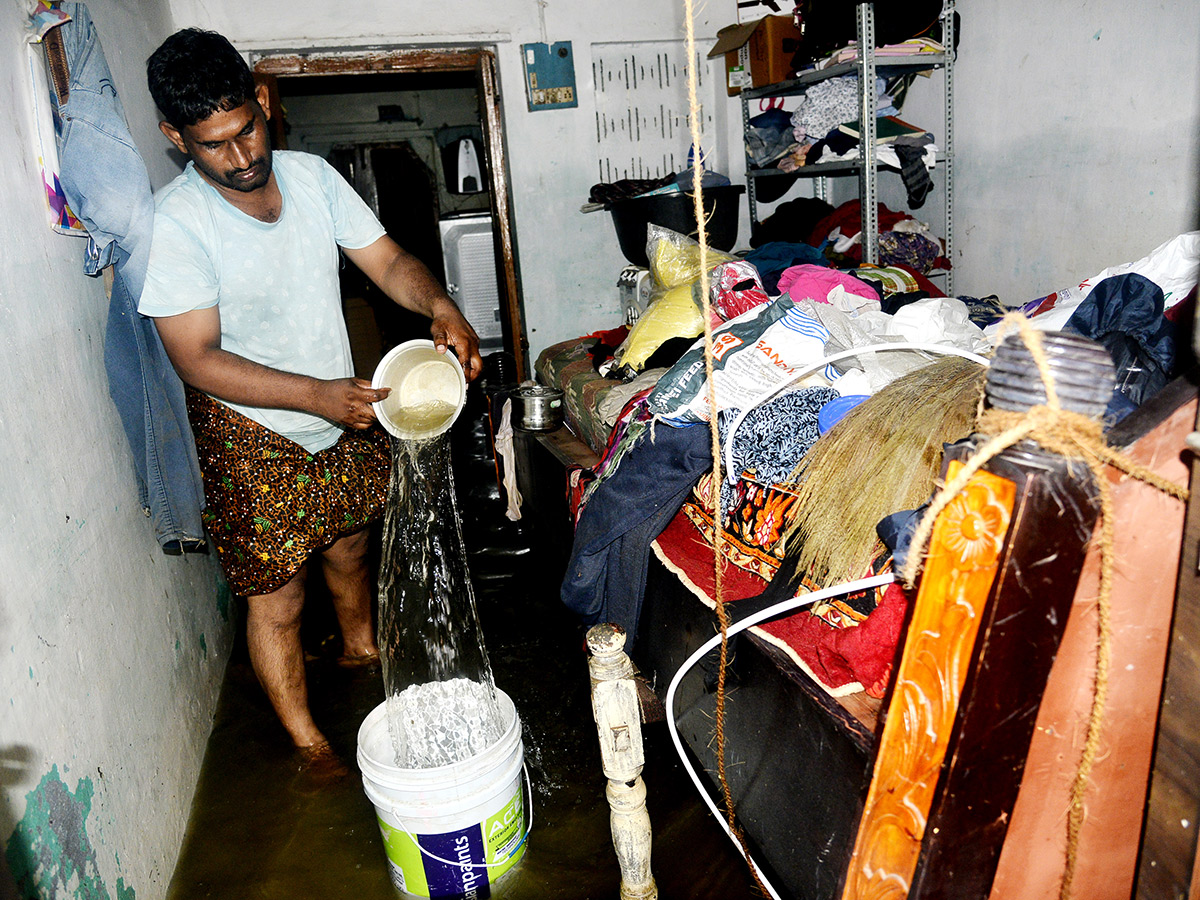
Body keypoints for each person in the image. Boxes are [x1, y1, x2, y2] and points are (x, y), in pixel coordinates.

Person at [139, 28, 483, 777]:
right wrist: (317, 397)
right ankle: (308, 741)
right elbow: (196, 359)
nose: (240, 157)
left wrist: (441, 307)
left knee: (352, 541)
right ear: (176, 138)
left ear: (263, 103)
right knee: (279, 595)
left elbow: (388, 261)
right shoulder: (177, 226)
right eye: (213, 146)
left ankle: (360, 646)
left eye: (246, 131)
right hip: (251, 427)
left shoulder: (314, 179)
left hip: (339, 405)